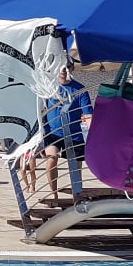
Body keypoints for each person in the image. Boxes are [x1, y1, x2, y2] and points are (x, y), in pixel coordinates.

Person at [32, 67, 93, 201]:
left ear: (71, 69)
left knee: (76, 166)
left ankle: (77, 196)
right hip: (52, 133)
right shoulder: (48, 88)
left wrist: (93, 135)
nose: (63, 70)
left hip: (74, 134)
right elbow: (39, 110)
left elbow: (88, 115)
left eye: (66, 67)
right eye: (60, 67)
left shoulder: (79, 89)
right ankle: (54, 195)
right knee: (52, 159)